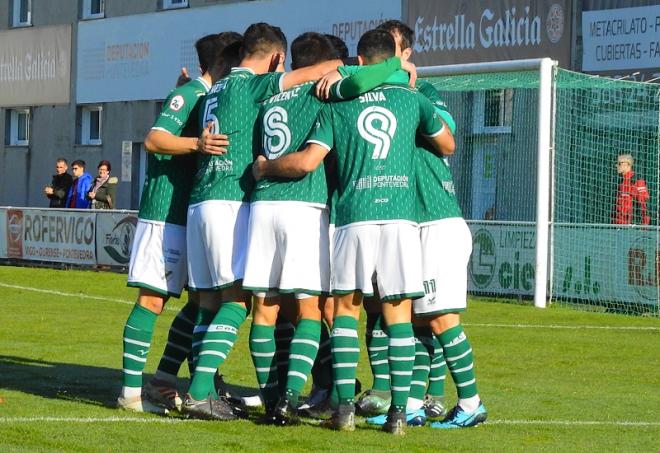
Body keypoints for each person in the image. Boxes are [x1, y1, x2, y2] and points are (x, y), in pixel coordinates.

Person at [252, 29, 454, 434]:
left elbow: (311, 158)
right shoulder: (414, 100)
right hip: (400, 216)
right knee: (399, 314)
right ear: (391, 59)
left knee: (344, 310)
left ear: (358, 61)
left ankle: (343, 408)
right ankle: (398, 412)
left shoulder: (336, 102)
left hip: (352, 216)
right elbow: (447, 145)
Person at [181, 22, 346, 421]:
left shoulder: (214, 88)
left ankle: (247, 394)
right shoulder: (252, 84)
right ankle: (205, 391)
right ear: (275, 58)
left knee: (216, 304)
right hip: (235, 202)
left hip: (208, 201)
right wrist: (346, 65)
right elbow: (310, 74)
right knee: (243, 303)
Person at [117, 32, 239, 415]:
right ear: (221, 64)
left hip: (189, 213)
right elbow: (154, 140)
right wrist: (196, 145)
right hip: (164, 212)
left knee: (200, 301)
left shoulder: (206, 97)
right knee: (152, 299)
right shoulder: (188, 94)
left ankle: (165, 379)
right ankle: (130, 394)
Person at [613, 153, 650, 225]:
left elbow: (644, 206)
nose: (616, 165)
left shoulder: (636, 181)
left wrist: (643, 228)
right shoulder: (621, 181)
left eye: (619, 163)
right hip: (618, 226)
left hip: (631, 228)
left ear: (628, 164)